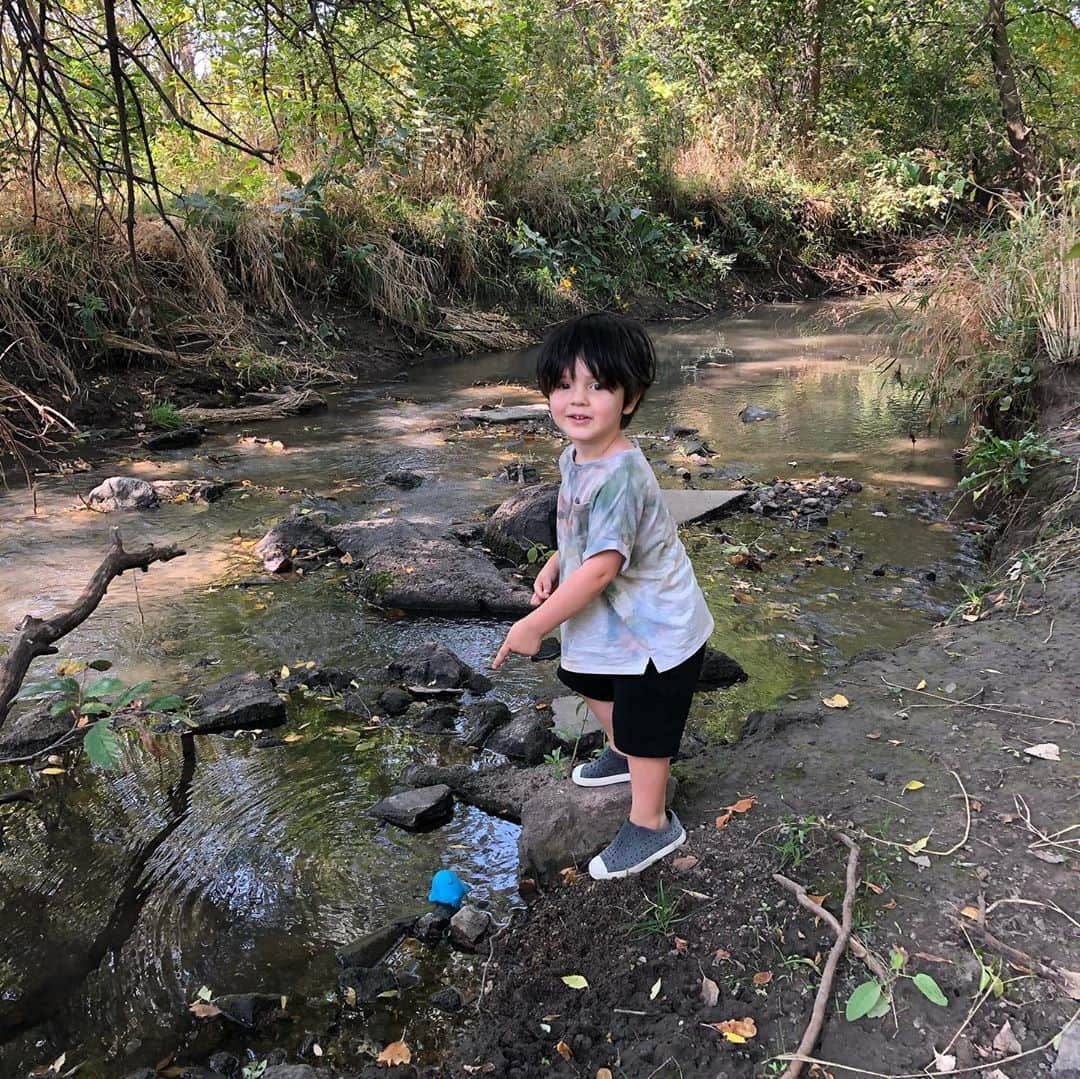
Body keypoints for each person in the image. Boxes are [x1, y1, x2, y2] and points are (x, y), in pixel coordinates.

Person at [491, 312, 714, 880]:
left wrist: (536, 623)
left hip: (654, 629)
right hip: (615, 620)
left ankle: (652, 823)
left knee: (646, 719)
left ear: (630, 397)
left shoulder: (620, 474)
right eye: (564, 385)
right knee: (585, 678)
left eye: (597, 386)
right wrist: (557, 558)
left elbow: (603, 568)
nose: (577, 399)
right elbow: (582, 536)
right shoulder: (577, 457)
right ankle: (624, 752)